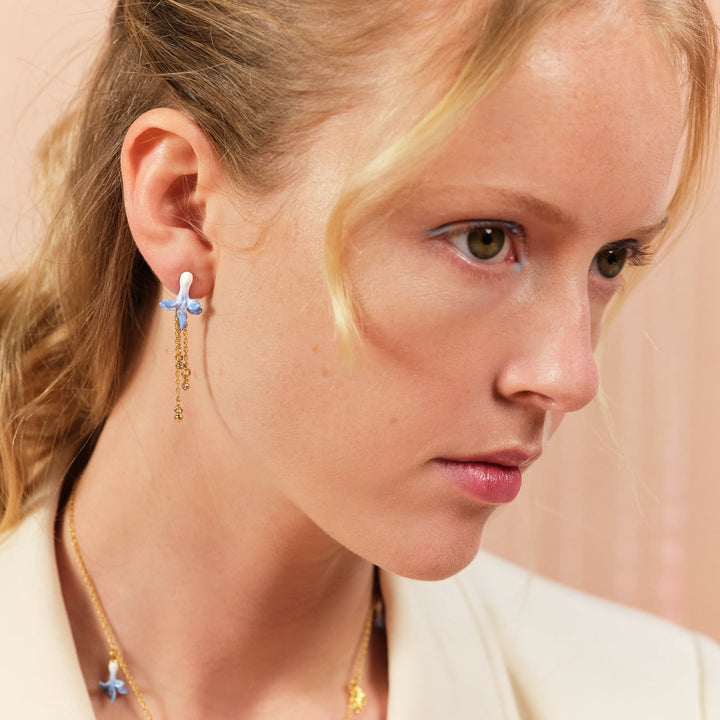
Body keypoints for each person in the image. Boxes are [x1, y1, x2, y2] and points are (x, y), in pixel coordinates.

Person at [0, 0, 718, 717]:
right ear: (183, 206)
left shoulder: (671, 700)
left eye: (611, 258)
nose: (570, 376)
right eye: (486, 240)